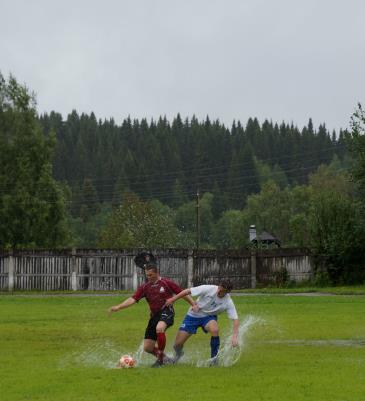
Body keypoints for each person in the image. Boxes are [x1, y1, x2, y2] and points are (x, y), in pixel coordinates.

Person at [109, 260, 195, 367]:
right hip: (154, 316)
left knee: (159, 328)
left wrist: (193, 304)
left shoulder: (166, 283)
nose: (149, 277)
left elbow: (183, 293)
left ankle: (160, 360)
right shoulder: (145, 287)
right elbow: (133, 299)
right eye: (147, 275)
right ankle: (166, 359)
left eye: (151, 275)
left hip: (167, 312)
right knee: (148, 347)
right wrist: (118, 307)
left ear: (157, 273)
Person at [165, 280, 239, 366]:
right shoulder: (208, 288)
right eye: (219, 288)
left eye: (222, 291)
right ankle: (179, 354)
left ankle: (214, 359)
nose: (218, 291)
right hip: (193, 315)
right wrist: (173, 299)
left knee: (215, 330)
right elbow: (187, 291)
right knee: (177, 345)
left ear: (227, 292)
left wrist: (234, 337)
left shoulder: (228, 301)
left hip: (208, 317)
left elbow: (235, 319)